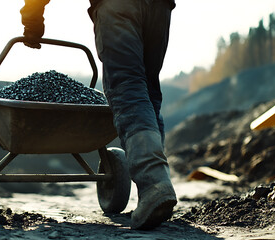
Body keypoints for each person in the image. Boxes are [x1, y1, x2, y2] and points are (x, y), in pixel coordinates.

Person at [20, 0, 177, 230]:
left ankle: (154, 184)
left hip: (119, 7)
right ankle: (154, 189)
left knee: (127, 87)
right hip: (159, 8)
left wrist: (32, 21)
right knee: (149, 91)